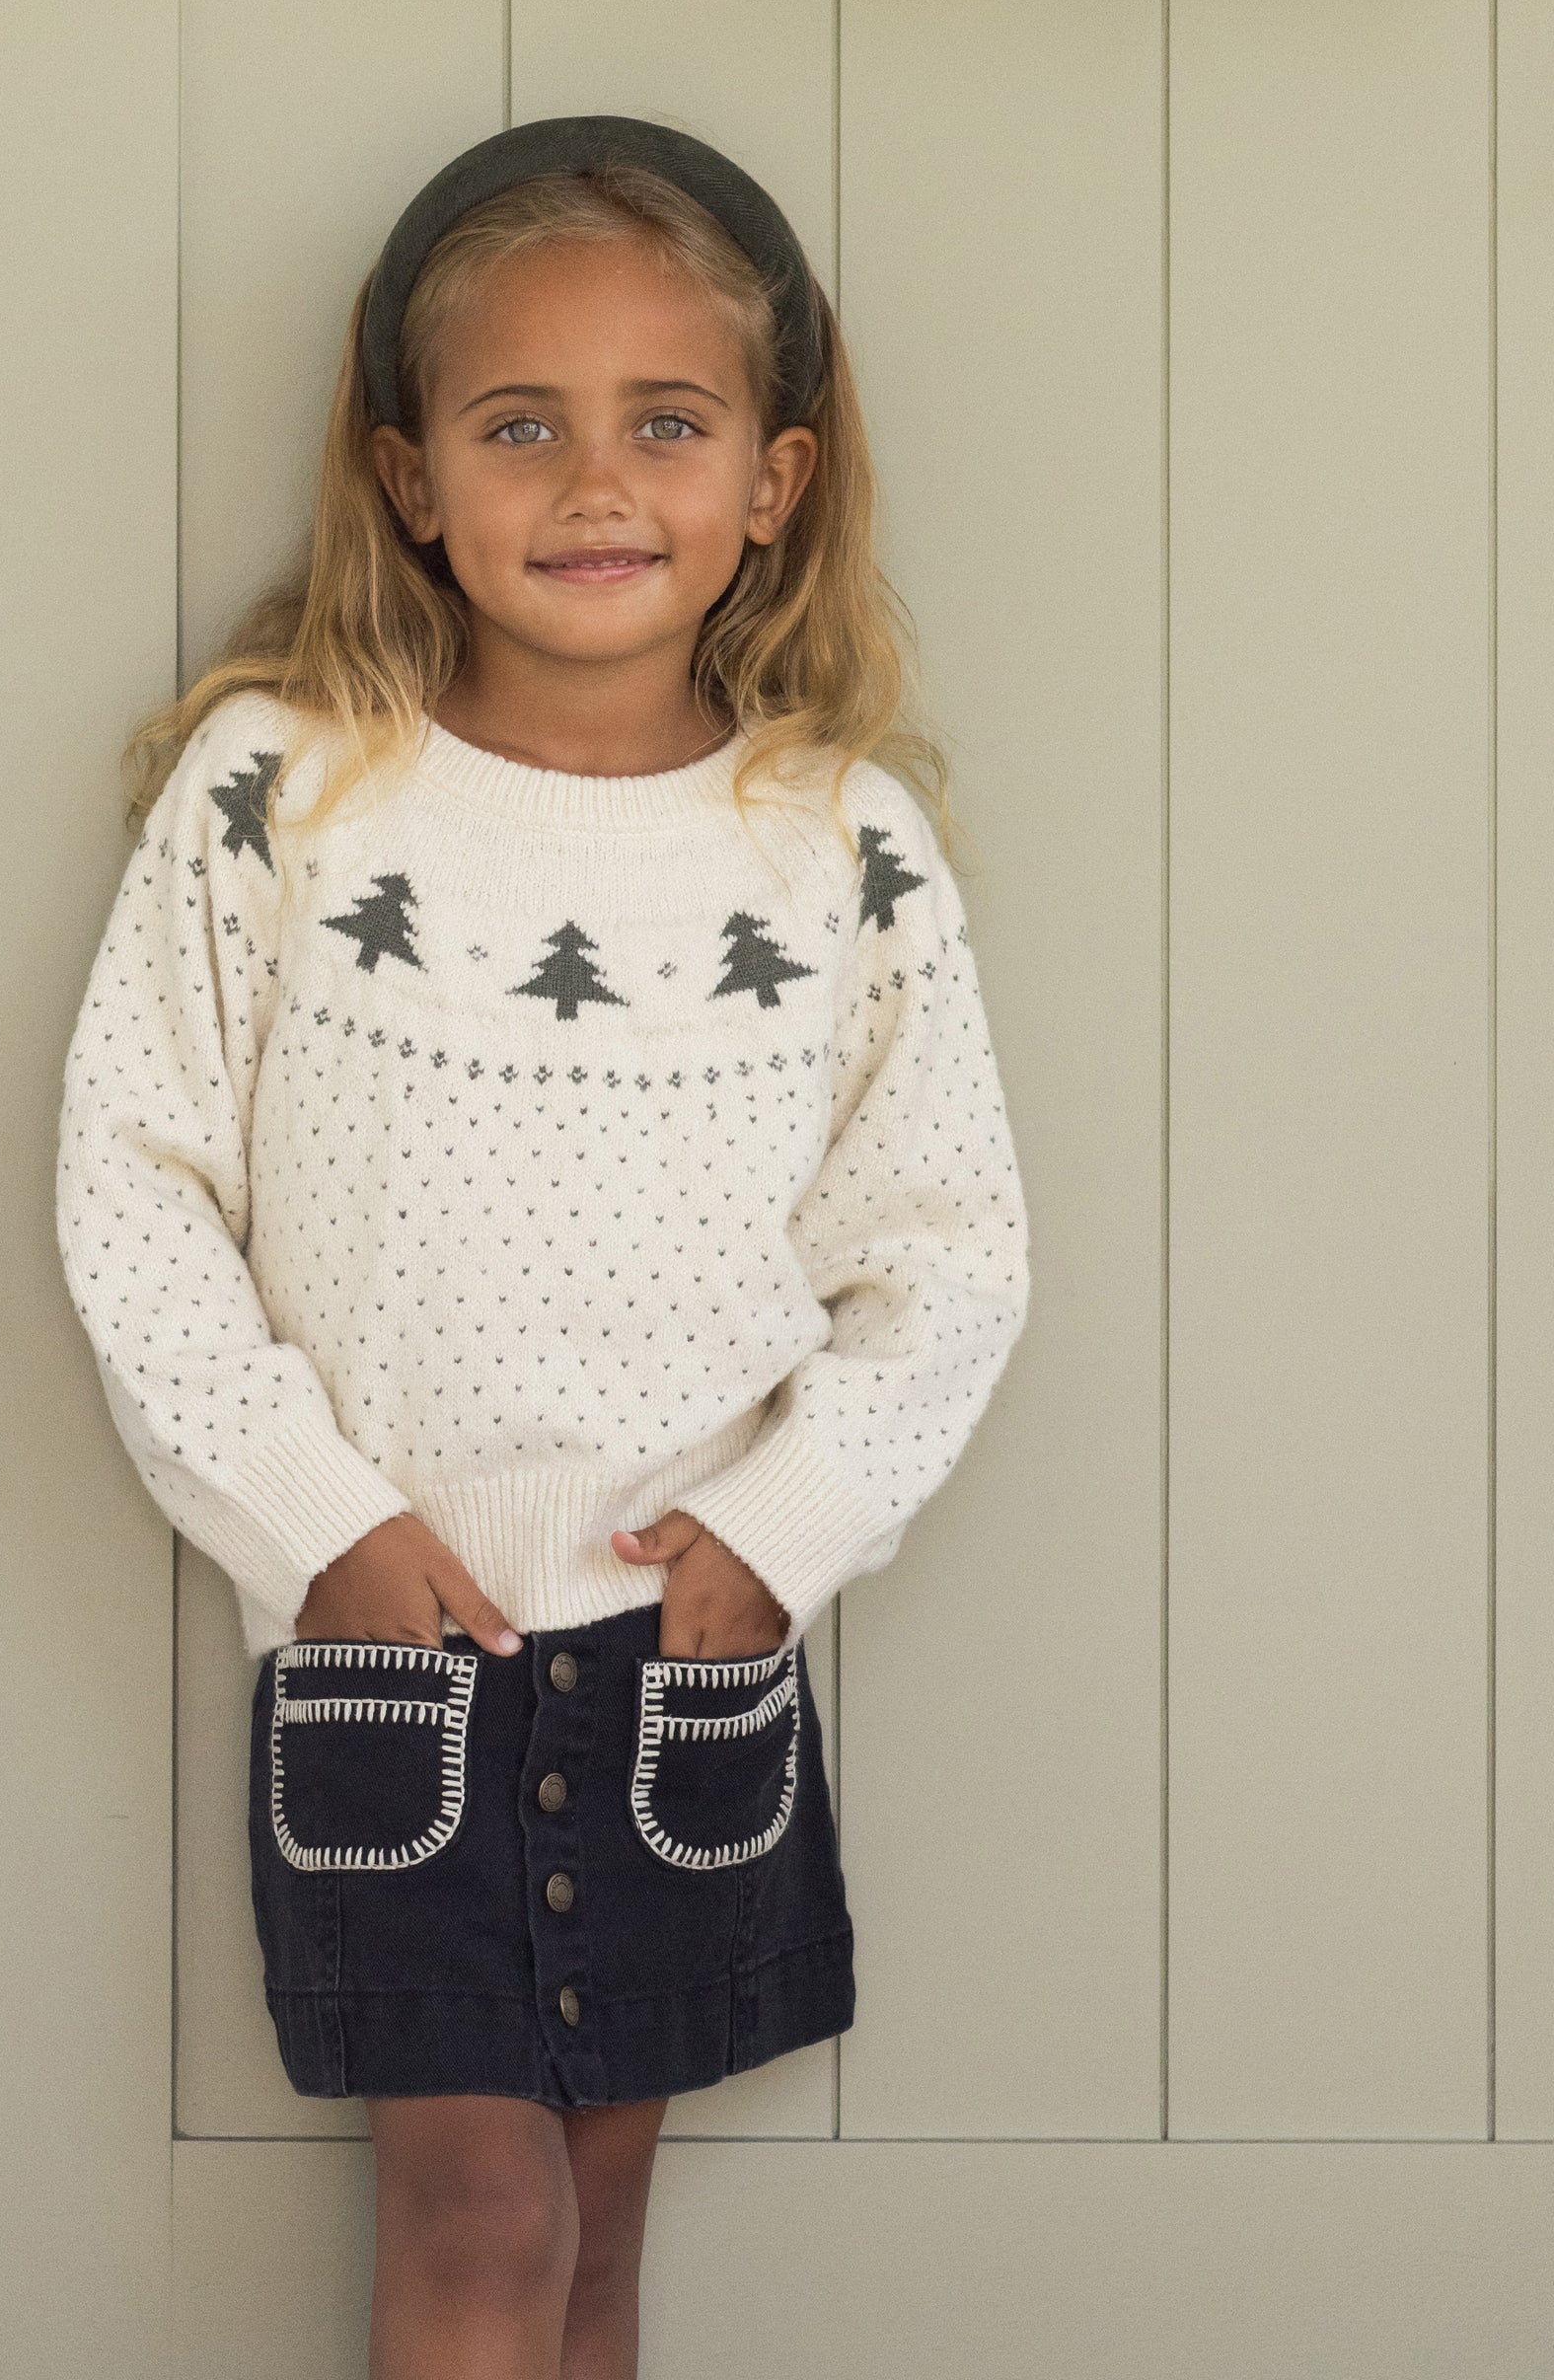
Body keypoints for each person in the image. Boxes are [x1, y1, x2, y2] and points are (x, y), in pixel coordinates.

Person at [51, 116, 1030, 2380]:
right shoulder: (285, 790)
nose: (597, 483)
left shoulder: (839, 841)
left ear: (775, 478)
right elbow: (133, 1178)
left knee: (590, 2245)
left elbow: (949, 1247)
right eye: (521, 426)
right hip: (391, 1640)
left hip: (684, 1646)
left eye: (666, 423)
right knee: (480, 2214)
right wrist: (315, 1521)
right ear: (410, 476)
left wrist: (782, 1534)